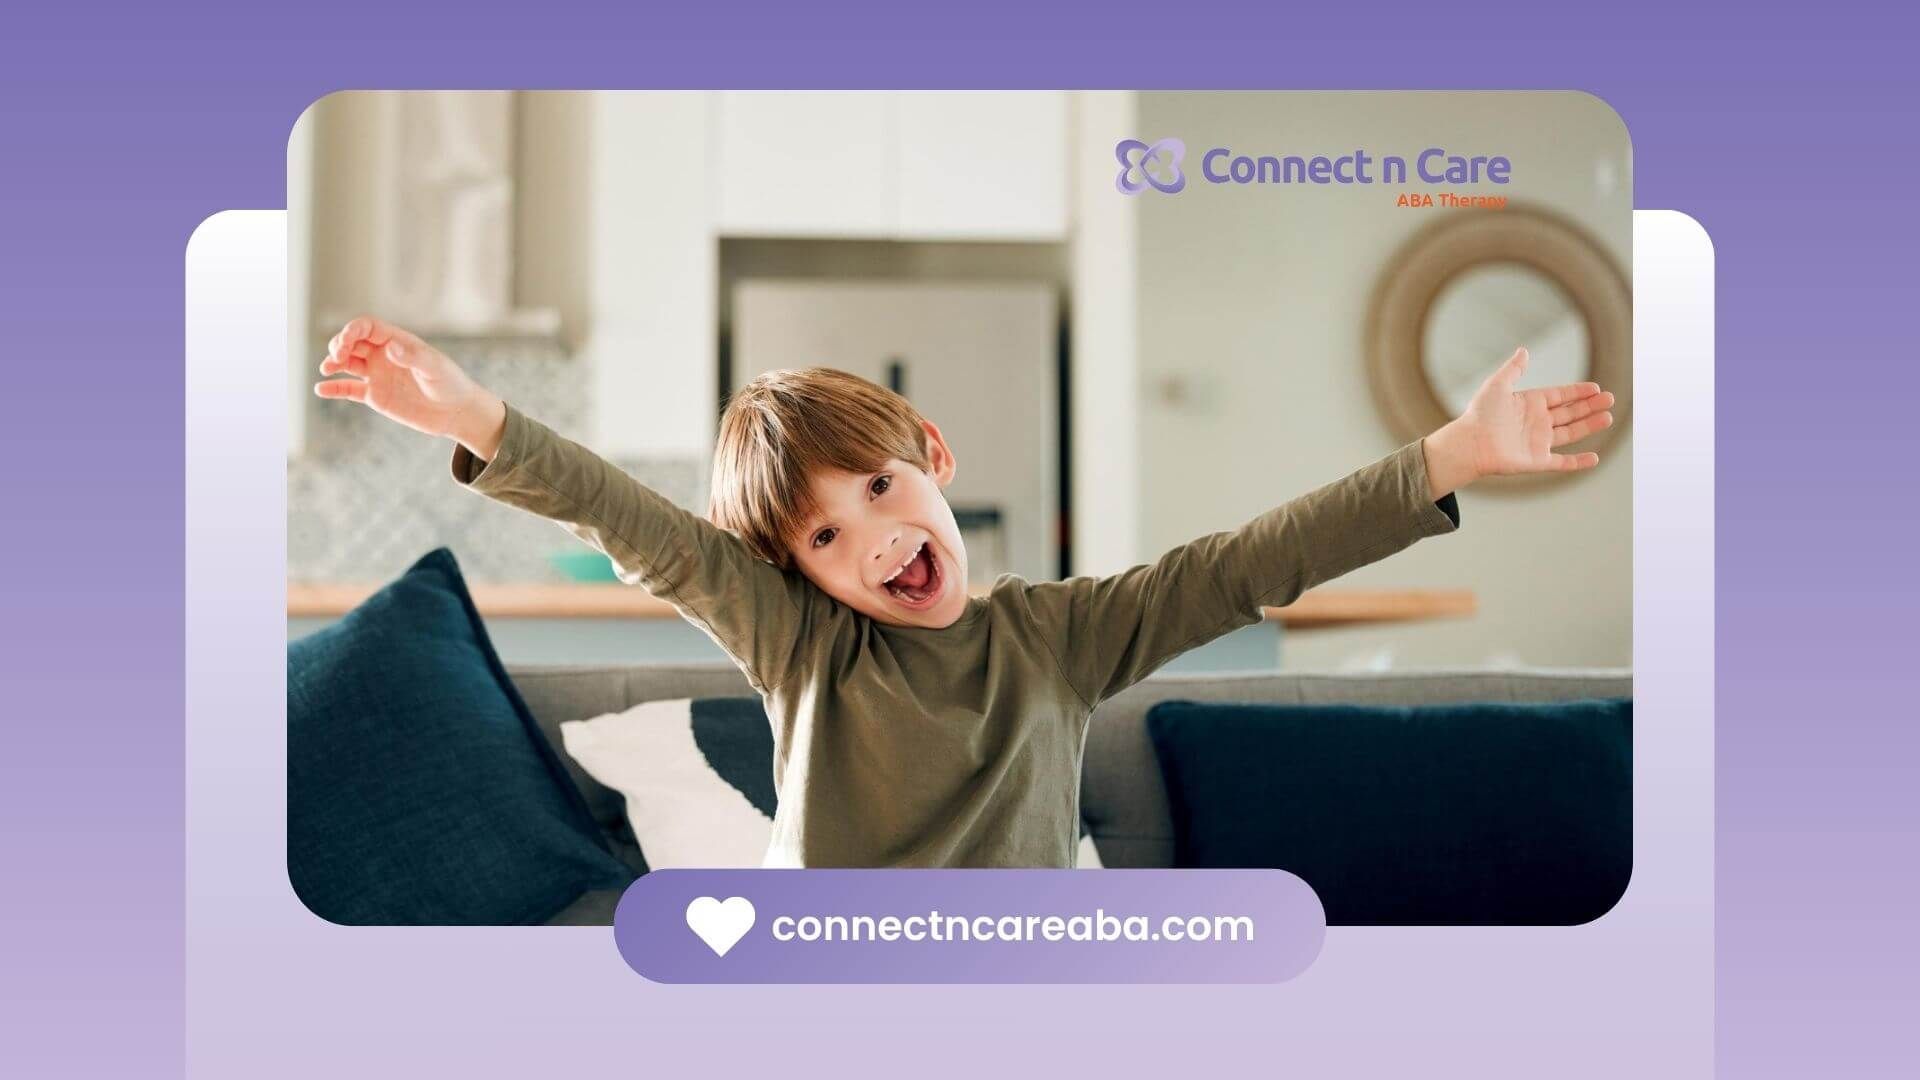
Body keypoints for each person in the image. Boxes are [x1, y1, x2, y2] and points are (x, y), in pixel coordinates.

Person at [315, 315, 1614, 868]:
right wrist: (474, 411)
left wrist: (1448, 456)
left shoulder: (1061, 637)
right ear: (793, 573)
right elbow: (637, 528)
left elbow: (1248, 562)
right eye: (823, 537)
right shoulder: (800, 648)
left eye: (876, 491)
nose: (871, 539)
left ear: (934, 457)